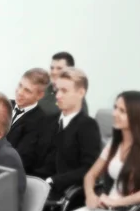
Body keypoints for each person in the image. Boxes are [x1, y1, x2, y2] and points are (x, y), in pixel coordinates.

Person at [33, 67, 101, 200]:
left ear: (81, 92)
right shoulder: (48, 122)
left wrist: (53, 180)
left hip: (62, 192)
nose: (57, 95)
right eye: (57, 90)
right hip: (37, 186)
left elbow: (89, 168)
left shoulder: (87, 126)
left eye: (64, 91)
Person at [8, 68, 49, 174]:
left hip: (8, 172)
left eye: (27, 91)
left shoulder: (41, 123)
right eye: (20, 85)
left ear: (40, 95)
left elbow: (20, 159)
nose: (20, 92)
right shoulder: (4, 105)